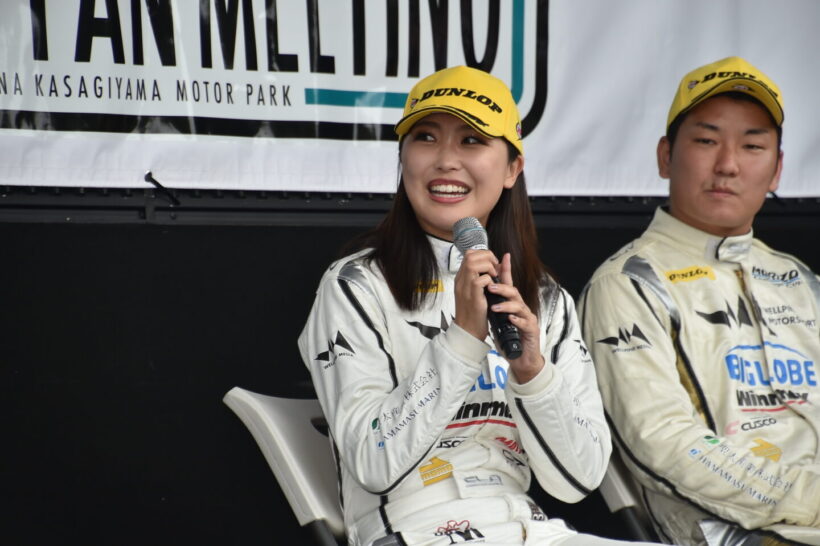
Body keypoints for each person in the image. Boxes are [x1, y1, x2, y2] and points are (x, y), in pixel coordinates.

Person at [299, 66, 650, 546]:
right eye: (426, 137)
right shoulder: (356, 285)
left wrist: (532, 372)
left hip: (530, 526)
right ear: (403, 157)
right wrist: (462, 339)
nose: (446, 160)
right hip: (416, 529)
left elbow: (578, 479)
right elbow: (372, 463)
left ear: (512, 169)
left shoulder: (544, 298)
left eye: (471, 141)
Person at [579, 56, 820, 546]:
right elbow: (664, 444)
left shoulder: (801, 280)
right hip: (732, 529)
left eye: (752, 146)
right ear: (665, 156)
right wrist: (807, 499)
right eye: (707, 141)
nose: (728, 164)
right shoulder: (628, 284)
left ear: (777, 169)